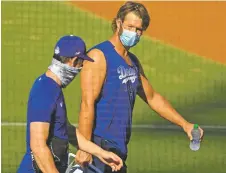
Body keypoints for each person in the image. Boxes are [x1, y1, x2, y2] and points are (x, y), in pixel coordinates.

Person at [75, 1, 204, 173]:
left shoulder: (132, 62)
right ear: (119, 23)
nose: (134, 33)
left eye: (139, 30)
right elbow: (87, 103)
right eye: (130, 27)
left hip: (118, 149)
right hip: (99, 146)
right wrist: (85, 147)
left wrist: (184, 124)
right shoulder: (99, 56)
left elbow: (152, 97)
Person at [17, 35, 123, 173]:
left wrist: (101, 153)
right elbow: (37, 145)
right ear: (73, 61)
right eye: (81, 63)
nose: (81, 68)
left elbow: (66, 130)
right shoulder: (45, 89)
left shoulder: (53, 88)